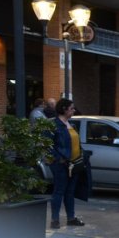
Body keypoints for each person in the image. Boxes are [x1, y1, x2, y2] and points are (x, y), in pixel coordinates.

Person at [48, 98, 85, 229]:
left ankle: (71, 218)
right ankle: (55, 219)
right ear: (64, 109)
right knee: (59, 191)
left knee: (70, 192)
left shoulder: (72, 124)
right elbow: (48, 145)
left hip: (74, 164)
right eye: (72, 108)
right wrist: (58, 159)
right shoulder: (54, 125)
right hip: (61, 164)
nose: (74, 110)